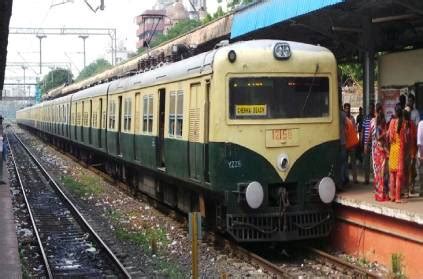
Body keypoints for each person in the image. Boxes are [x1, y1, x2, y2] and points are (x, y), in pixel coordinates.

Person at [367, 103, 388, 201]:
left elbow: (370, 136)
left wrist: (366, 145)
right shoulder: (383, 122)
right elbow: (381, 136)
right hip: (382, 148)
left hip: (375, 149)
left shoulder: (373, 121)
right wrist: (384, 134)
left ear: (375, 110)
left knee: (377, 172)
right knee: (383, 172)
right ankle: (384, 194)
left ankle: (378, 194)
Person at [388, 104, 408, 202]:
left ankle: (392, 196)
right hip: (400, 149)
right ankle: (397, 197)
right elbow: (404, 139)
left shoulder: (391, 122)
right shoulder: (403, 122)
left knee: (392, 174)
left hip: (393, 149)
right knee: (399, 176)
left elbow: (389, 137)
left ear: (395, 112)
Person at [344, 103, 358, 183]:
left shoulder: (352, 119)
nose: (347, 110)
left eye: (348, 108)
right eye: (346, 108)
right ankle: (346, 178)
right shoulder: (343, 119)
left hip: (352, 144)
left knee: (353, 162)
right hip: (345, 144)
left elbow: (355, 130)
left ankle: (355, 179)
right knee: (345, 162)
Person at [362, 103, 375, 184]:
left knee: (374, 162)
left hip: (373, 142)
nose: (370, 110)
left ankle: (375, 180)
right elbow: (363, 129)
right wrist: (362, 140)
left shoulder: (375, 118)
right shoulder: (366, 118)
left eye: (371, 108)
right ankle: (366, 180)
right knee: (366, 161)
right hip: (366, 142)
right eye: (369, 108)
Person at [417, 119, 423, 196]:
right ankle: (421, 190)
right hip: (422, 152)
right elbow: (419, 141)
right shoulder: (421, 124)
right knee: (421, 172)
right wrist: (421, 154)